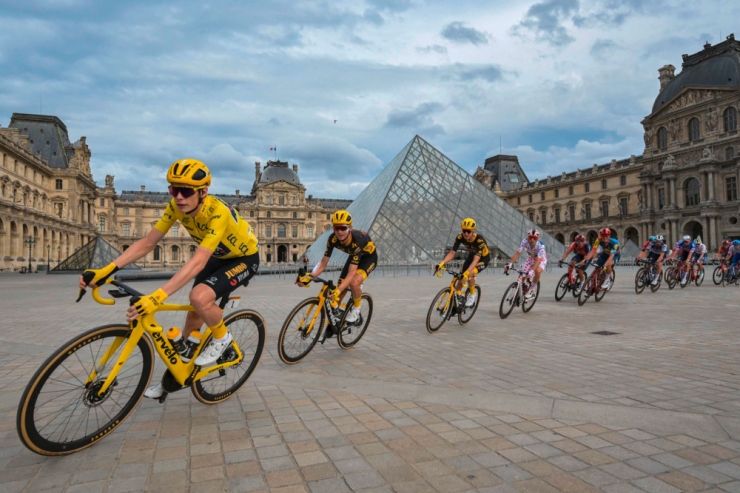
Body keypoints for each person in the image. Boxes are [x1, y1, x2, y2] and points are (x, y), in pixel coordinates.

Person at [79, 159, 260, 399]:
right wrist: (106, 269)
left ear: (203, 192)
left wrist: (158, 296)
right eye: (174, 190)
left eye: (185, 191)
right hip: (217, 256)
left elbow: (197, 262)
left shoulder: (218, 213)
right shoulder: (175, 207)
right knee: (192, 320)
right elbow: (147, 242)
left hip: (244, 258)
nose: (179, 197)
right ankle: (175, 378)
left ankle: (222, 338)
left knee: (199, 297)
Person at [297, 210, 377, 335]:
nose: (339, 231)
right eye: (336, 228)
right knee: (337, 295)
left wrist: (339, 289)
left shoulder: (358, 241)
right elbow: (323, 263)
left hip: (368, 258)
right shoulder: (332, 239)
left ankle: (356, 310)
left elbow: (351, 274)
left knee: (354, 283)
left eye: (343, 228)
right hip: (353, 258)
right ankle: (334, 323)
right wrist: (309, 277)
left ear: (350, 228)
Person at [435, 218, 491, 307]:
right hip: (471, 256)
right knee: (460, 280)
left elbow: (476, 259)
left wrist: (467, 273)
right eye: (464, 230)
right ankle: (454, 305)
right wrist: (441, 264)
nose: (466, 233)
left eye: (468, 231)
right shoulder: (460, 237)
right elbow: (452, 252)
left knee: (469, 274)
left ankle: (473, 295)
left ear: (473, 231)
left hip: (483, 259)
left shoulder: (480, 240)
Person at [505, 229, 547, 299]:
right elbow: (518, 253)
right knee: (521, 276)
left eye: (535, 238)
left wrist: (532, 271)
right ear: (528, 237)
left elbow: (538, 260)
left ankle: (532, 290)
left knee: (537, 271)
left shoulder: (541, 245)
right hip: (530, 258)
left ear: (537, 239)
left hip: (541, 259)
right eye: (530, 237)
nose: (532, 240)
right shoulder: (524, 242)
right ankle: (520, 290)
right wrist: (510, 264)